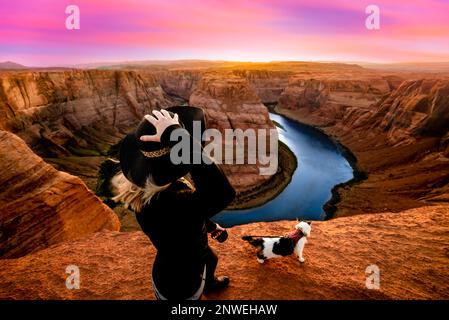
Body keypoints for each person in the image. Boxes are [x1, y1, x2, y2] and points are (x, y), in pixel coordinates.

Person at [112, 106, 236, 300]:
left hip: (172, 262)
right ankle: (207, 285)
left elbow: (188, 218)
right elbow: (222, 193)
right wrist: (177, 135)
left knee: (210, 258)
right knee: (207, 261)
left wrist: (210, 226)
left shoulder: (145, 195)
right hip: (182, 288)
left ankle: (210, 284)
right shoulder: (176, 203)